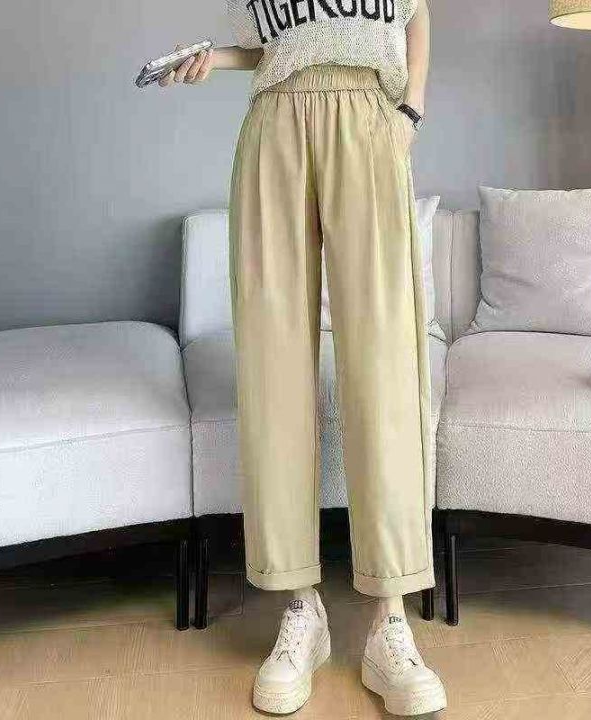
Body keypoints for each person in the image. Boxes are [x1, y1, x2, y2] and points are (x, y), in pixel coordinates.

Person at [160, 0, 445, 715]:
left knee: (384, 366)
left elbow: (416, 12)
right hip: (275, 122)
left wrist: (410, 112)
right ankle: (299, 608)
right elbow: (283, 46)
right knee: (273, 367)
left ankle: (391, 621)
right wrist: (217, 58)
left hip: (368, 118)